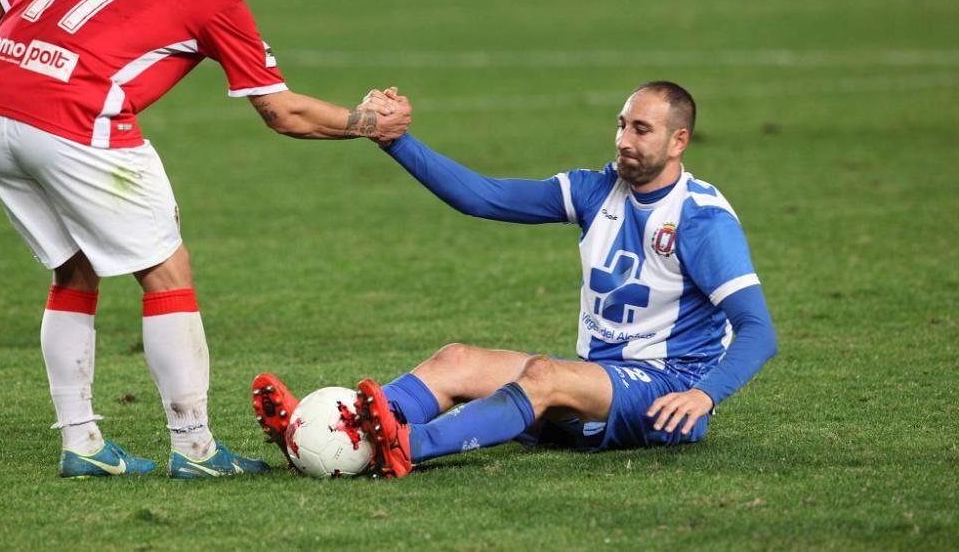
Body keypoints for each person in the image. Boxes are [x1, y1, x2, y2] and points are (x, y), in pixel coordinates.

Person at [0, 0, 409, 479]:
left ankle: (82, 443)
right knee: (167, 273)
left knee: (73, 269)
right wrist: (367, 122)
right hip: (77, 119)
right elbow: (281, 112)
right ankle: (195, 449)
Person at [254, 81, 777, 478]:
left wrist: (703, 396)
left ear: (679, 140)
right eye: (621, 125)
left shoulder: (701, 219)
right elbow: (482, 197)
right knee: (455, 360)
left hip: (668, 391)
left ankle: (404, 447)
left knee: (544, 377)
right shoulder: (597, 191)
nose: (623, 140)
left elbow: (758, 330)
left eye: (641, 130)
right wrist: (393, 140)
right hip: (600, 380)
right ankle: (327, 430)